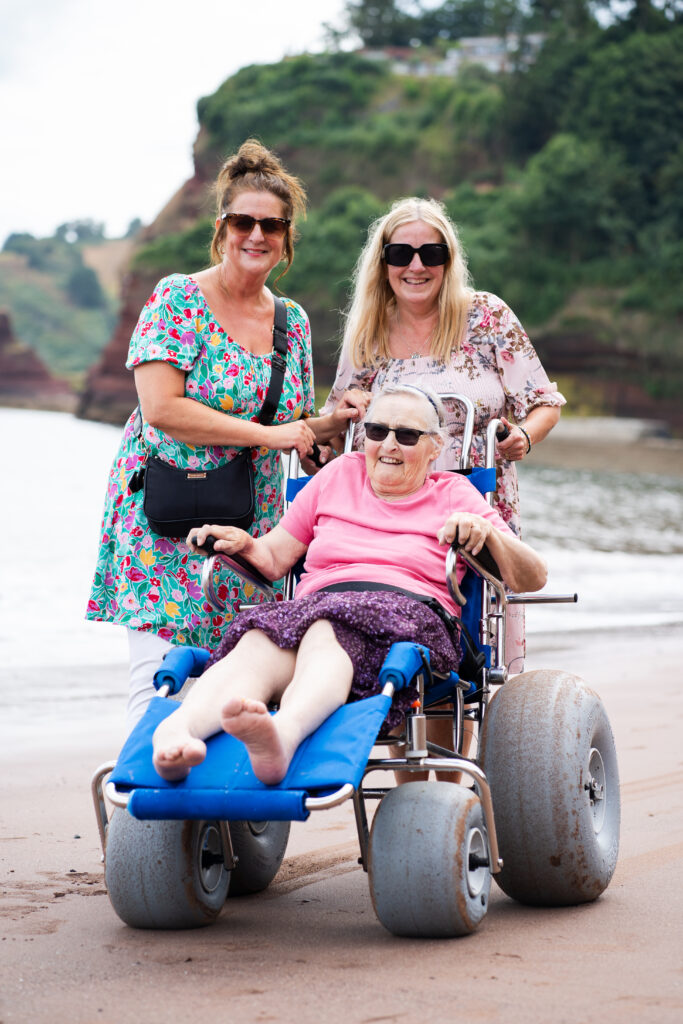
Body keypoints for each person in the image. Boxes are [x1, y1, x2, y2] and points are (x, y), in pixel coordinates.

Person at [87, 139, 357, 733]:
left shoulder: (292, 321)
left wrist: (327, 430)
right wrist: (270, 438)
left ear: (287, 238)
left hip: (248, 529)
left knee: (230, 687)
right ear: (222, 227)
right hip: (166, 522)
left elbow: (290, 428)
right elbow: (160, 408)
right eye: (244, 221)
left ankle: (218, 824)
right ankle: (146, 816)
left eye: (272, 225)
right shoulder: (178, 298)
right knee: (159, 682)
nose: (256, 235)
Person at [152, 384, 547, 785]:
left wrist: (487, 533)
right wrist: (245, 544)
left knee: (328, 630)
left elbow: (533, 577)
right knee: (258, 640)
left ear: (435, 448)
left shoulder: (453, 493)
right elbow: (274, 559)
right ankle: (177, 731)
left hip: (407, 615)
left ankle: (284, 734)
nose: (389, 444)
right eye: (376, 431)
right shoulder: (338, 473)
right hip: (315, 606)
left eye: (407, 435)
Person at [321, 196, 566, 674]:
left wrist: (524, 438)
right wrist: (339, 416)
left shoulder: (487, 316)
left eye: (431, 254)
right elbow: (339, 422)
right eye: (401, 254)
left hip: (476, 506)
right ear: (383, 262)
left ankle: (470, 746)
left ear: (449, 260)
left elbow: (544, 402)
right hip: (394, 518)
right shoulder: (367, 334)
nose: (416, 266)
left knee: (475, 655)